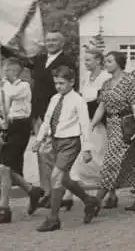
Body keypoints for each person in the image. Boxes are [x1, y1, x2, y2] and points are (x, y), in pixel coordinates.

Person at [31, 66, 100, 232]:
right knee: (63, 179)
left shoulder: (78, 100)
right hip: (56, 141)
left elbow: (84, 125)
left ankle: (53, 218)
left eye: (62, 83)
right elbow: (47, 120)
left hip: (71, 142)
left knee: (56, 175)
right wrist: (39, 139)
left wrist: (87, 149)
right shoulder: (55, 99)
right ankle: (89, 201)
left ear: (72, 82)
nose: (58, 86)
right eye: (56, 83)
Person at [88, 51, 135, 215]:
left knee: (110, 162)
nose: (105, 64)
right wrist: (91, 124)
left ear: (119, 63)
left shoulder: (130, 81)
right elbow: (102, 107)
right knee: (130, 163)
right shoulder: (106, 84)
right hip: (111, 125)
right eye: (105, 61)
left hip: (126, 126)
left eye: (109, 61)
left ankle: (96, 201)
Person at [28, 30, 74, 209]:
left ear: (62, 43)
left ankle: (62, 192)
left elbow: (63, 84)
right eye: (48, 40)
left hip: (57, 112)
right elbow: (24, 62)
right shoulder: (39, 60)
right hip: (39, 113)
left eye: (54, 40)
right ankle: (48, 192)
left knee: (56, 154)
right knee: (42, 154)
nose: (51, 43)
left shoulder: (67, 61)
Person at [62, 49, 113, 209]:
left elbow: (103, 105)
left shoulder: (106, 78)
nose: (86, 63)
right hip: (85, 124)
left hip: (99, 124)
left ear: (98, 61)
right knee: (79, 158)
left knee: (100, 159)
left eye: (89, 60)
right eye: (85, 60)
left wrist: (92, 119)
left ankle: (111, 193)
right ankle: (68, 195)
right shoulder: (85, 79)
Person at [0, 57, 45, 224]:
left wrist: (4, 84)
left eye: (5, 70)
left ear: (12, 71)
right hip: (7, 126)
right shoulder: (5, 87)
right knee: (7, 167)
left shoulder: (23, 86)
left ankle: (4, 208)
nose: (2, 73)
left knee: (4, 166)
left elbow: (10, 95)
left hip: (20, 127)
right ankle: (31, 190)